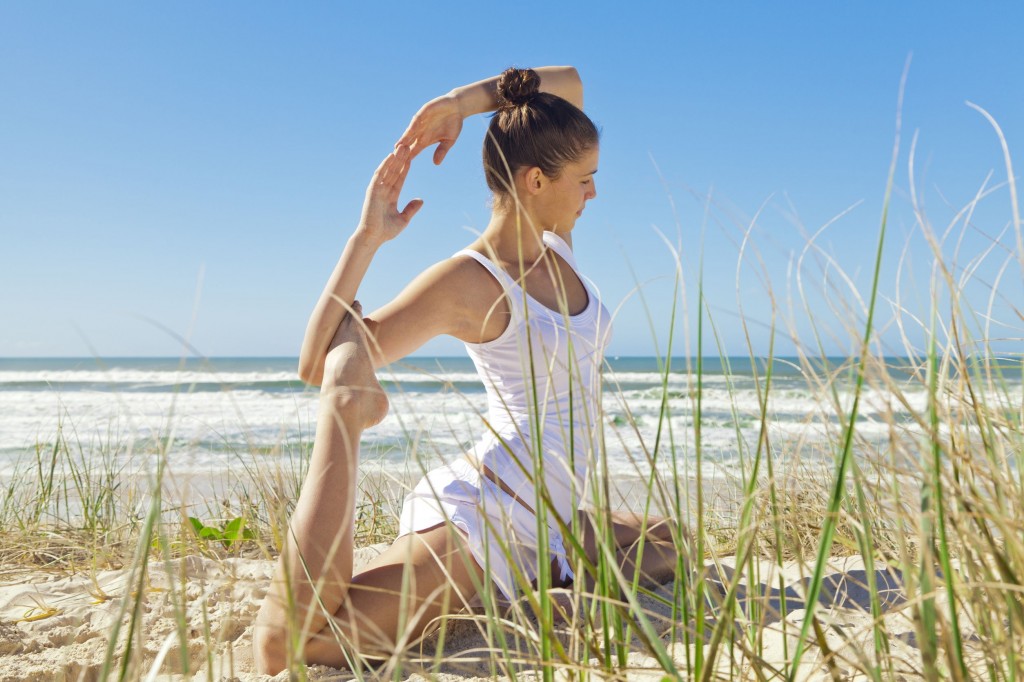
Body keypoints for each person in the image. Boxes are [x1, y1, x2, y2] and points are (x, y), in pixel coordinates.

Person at [253, 66, 679, 675]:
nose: (592, 194)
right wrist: (368, 238)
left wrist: (461, 102)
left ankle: (535, 584)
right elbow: (319, 363)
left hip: (552, 520)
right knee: (294, 645)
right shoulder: (471, 281)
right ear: (536, 180)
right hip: (486, 520)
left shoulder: (556, 248)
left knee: (667, 542)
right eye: (585, 181)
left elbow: (568, 86)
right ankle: (346, 428)